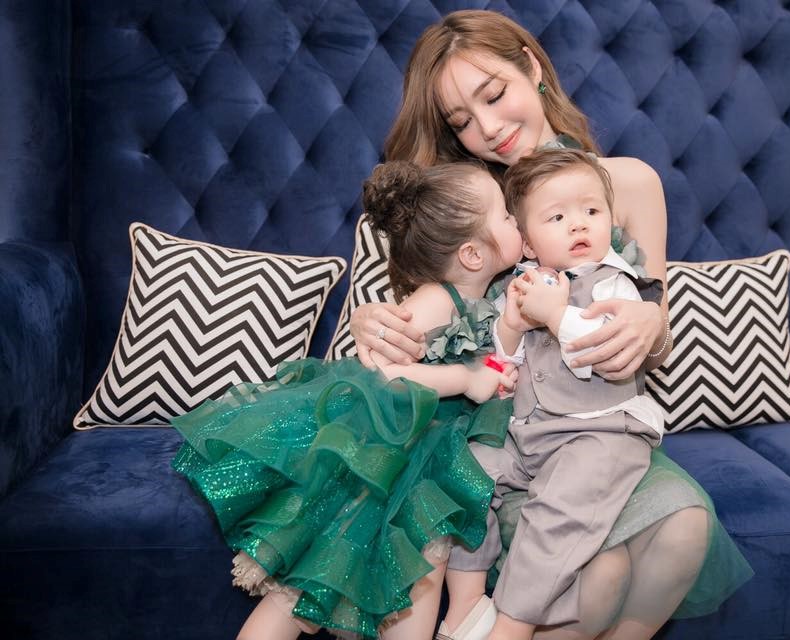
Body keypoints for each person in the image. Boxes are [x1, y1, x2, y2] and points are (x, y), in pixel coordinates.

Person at [349, 10, 753, 640]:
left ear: (532, 67)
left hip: (594, 423)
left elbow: (657, 327)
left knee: (685, 529)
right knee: (602, 572)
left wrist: (649, 320)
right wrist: (369, 319)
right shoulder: (462, 199)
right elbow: (430, 318)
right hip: (495, 431)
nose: (487, 127)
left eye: (493, 94)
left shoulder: (628, 183)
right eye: (461, 121)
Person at [170, 159, 525, 640]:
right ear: (472, 254)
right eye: (505, 215)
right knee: (307, 587)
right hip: (381, 455)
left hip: (429, 463)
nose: (516, 220)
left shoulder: (487, 298)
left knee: (413, 577)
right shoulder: (436, 301)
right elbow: (383, 373)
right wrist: (464, 378)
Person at [439, 148, 752, 640]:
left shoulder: (617, 284)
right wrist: (512, 326)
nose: (578, 224)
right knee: (468, 469)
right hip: (530, 434)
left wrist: (555, 315)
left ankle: (512, 624)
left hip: (601, 435)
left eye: (591, 211)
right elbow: (502, 363)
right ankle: (468, 598)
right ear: (527, 243)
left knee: (558, 513)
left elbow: (602, 357)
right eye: (557, 217)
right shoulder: (521, 284)